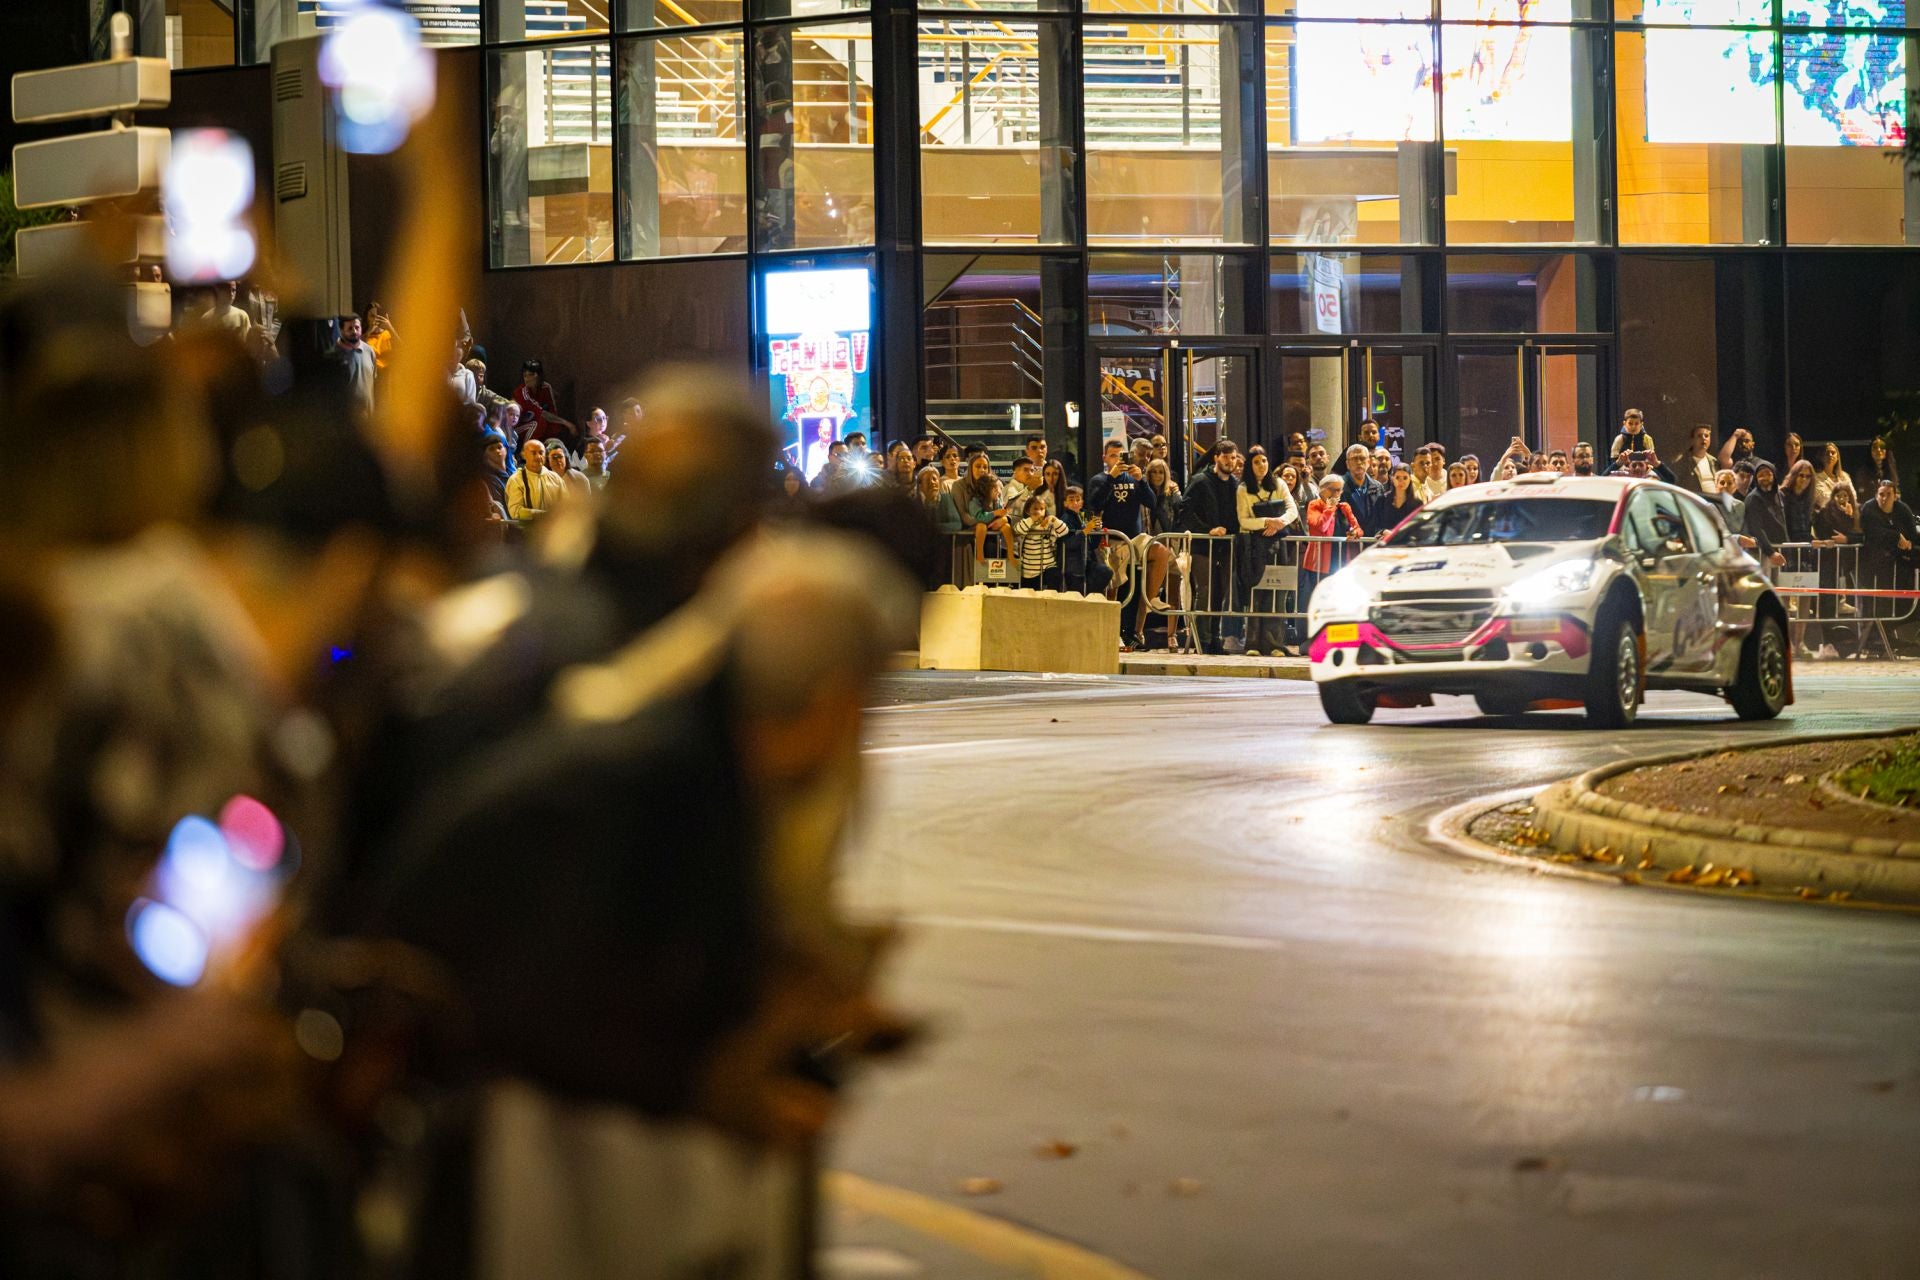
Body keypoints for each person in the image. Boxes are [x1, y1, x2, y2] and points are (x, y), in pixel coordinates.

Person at [1088, 438, 1168, 649]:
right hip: (1112, 540)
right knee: (1118, 589)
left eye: (1120, 455)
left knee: (1160, 551)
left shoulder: (1134, 478)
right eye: (1113, 455)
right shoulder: (1099, 479)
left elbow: (1152, 503)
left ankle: (1153, 599)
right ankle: (1117, 634)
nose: (1117, 460)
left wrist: (1141, 481)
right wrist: (1111, 479)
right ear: (1105, 457)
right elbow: (1095, 503)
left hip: (1136, 539)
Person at [1178, 439, 1243, 655]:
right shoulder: (1200, 481)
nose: (1229, 461)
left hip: (1224, 548)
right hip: (1202, 546)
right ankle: (1200, 639)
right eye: (1225, 457)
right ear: (1216, 457)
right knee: (1204, 591)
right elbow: (1184, 512)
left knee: (1221, 593)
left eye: (1233, 457)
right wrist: (1208, 530)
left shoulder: (1235, 485)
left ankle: (1214, 637)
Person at [1236, 446, 1298, 657]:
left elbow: (1292, 510)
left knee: (1276, 595)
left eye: (1264, 460)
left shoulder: (1279, 484)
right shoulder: (1243, 489)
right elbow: (1243, 520)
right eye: (1256, 462)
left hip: (1277, 544)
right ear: (1250, 466)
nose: (1261, 465)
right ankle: (1253, 642)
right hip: (1254, 547)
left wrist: (1278, 523)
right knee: (1256, 593)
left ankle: (1274, 643)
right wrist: (1265, 522)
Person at [1860, 480, 1918, 651]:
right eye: (1881, 494)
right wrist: (1896, 538)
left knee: (1907, 604)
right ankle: (1875, 641)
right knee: (1878, 605)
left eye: (1888, 494)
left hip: (1900, 568)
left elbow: (1912, 537)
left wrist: (1909, 546)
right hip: (1874, 568)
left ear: (1895, 496)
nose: (1884, 498)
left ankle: (1889, 635)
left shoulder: (1903, 510)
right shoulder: (1869, 509)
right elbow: (1872, 532)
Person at [1300, 474, 1363, 617]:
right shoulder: (1314, 505)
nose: (1336, 494)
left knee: (1339, 602)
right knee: (1318, 602)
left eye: (1339, 490)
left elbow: (1359, 529)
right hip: (1319, 564)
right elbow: (1320, 526)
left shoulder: (1345, 507)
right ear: (1322, 490)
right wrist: (1329, 508)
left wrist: (1354, 533)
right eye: (1332, 490)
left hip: (1341, 561)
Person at [957, 454, 1012, 567]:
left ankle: (1010, 553)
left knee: (1006, 529)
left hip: (994, 531)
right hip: (972, 534)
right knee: (982, 528)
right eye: (978, 466)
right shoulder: (961, 487)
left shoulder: (997, 486)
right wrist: (991, 517)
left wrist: (1005, 518)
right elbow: (969, 516)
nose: (982, 470)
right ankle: (980, 555)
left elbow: (1001, 508)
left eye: (985, 467)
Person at [514, 358, 577, 450]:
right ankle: (525, 452)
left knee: (556, 426)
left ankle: (549, 450)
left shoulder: (546, 387)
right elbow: (541, 413)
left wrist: (563, 424)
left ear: (539, 376)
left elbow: (552, 411)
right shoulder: (522, 392)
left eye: (531, 375)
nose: (527, 379)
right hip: (519, 427)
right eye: (525, 376)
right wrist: (567, 423)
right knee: (539, 422)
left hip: (539, 425)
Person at [1012, 495, 1069, 591]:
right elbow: (1018, 530)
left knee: (1055, 575)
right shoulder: (1025, 523)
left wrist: (1053, 519)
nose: (1039, 512)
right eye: (1035, 509)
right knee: (1030, 594)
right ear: (1027, 511)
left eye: (1042, 509)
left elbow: (1064, 530)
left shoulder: (1049, 525)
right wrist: (1032, 519)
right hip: (1029, 570)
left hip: (1047, 565)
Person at [507, 436, 566, 521]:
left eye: (541, 453)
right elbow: (516, 511)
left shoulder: (555, 478)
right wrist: (544, 515)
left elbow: (566, 505)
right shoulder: (516, 480)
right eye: (533, 453)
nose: (538, 457)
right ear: (524, 455)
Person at [1744, 459, 1788, 569]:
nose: (1764, 477)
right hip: (1763, 553)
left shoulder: (1779, 495)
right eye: (1760, 475)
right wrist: (1770, 552)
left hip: (1781, 552)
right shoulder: (1753, 498)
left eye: (1768, 473)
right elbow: (1756, 529)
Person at [338, 311, 377, 414]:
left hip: (368, 417)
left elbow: (373, 381)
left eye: (357, 327)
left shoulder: (370, 351)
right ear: (342, 331)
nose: (354, 331)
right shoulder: (335, 355)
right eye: (350, 328)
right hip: (347, 420)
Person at [1673, 424, 1718, 497]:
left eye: (1706, 436)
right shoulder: (1683, 461)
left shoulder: (1713, 461)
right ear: (1692, 440)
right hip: (1695, 503)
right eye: (1699, 436)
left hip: (1714, 503)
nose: (1704, 438)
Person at [1609, 408, 1653, 472]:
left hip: (1643, 471)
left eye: (1636, 423)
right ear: (1624, 423)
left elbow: (1651, 458)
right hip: (1623, 471)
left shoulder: (1647, 439)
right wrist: (1624, 468)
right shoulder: (1619, 439)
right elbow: (1614, 459)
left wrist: (1646, 468)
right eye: (1630, 423)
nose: (1633, 426)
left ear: (1641, 424)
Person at [1812, 442, 1853, 511]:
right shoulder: (1815, 477)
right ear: (1821, 456)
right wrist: (1844, 498)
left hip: (1845, 516)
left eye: (1833, 453)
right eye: (1827, 453)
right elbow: (1824, 499)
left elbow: (1853, 496)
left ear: (1837, 457)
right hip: (1826, 517)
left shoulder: (1845, 476)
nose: (1830, 455)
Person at [1380, 460, 1421, 528]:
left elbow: (1418, 528)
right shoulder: (1382, 500)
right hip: (1387, 538)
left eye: (1405, 478)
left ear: (1410, 479)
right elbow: (1376, 525)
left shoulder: (1417, 503)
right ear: (1392, 478)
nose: (1401, 481)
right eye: (1397, 477)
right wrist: (1383, 531)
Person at [362, 299, 398, 369]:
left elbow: (402, 349)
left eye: (378, 316)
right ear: (367, 317)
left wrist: (389, 327)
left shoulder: (385, 334)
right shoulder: (362, 335)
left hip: (384, 371)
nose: (375, 319)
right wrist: (368, 334)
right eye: (372, 316)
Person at [483, 430, 513, 509]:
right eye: (491, 449)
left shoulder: (511, 473)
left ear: (505, 451)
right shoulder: (489, 479)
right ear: (485, 455)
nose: (497, 451)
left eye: (499, 447)